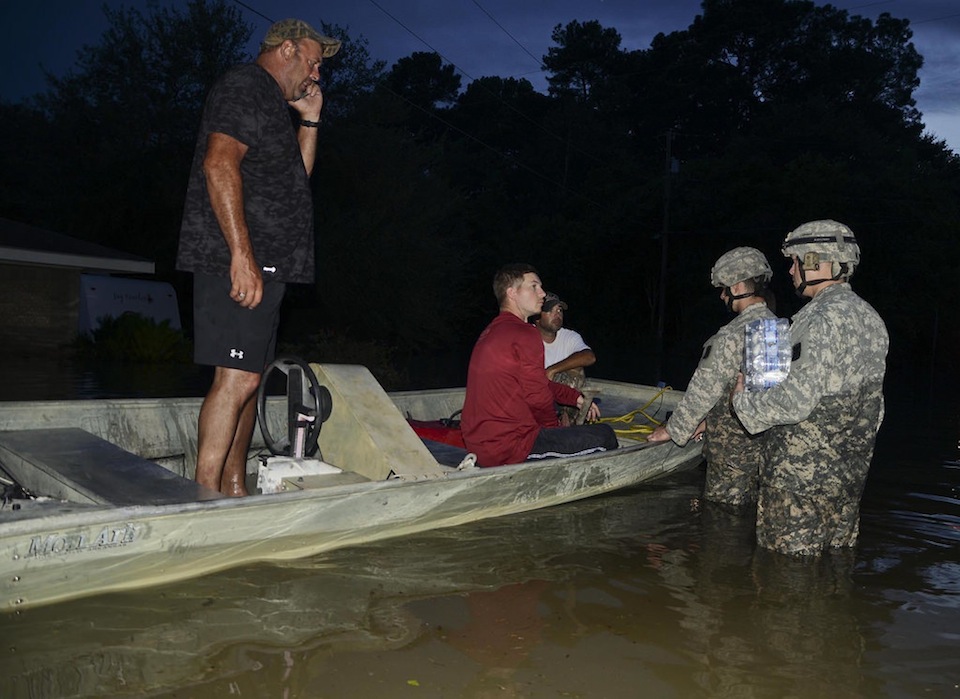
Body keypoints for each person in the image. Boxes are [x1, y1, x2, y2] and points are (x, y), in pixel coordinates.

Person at [176, 19, 341, 496]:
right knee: (236, 377)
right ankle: (202, 495)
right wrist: (241, 256)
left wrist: (310, 119)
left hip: (269, 265)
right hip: (239, 261)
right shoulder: (246, 85)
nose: (316, 73)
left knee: (248, 378)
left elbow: (294, 184)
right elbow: (218, 163)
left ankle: (232, 486)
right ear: (286, 49)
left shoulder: (272, 104)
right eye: (312, 62)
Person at [732, 220, 889, 556]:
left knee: (784, 581)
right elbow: (875, 409)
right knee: (833, 571)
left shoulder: (817, 318)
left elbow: (795, 401)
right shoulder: (871, 318)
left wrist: (743, 402)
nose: (790, 271)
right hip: (847, 479)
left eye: (795, 262)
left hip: (799, 483)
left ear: (816, 261)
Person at [647, 247, 777, 508]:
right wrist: (705, 423)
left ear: (739, 286)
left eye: (725, 288)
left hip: (732, 453)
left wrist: (673, 429)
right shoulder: (777, 329)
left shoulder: (731, 335)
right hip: (769, 451)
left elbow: (704, 389)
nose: (722, 295)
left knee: (722, 519)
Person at [461, 263, 619, 467]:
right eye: (534, 286)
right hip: (510, 448)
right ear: (512, 293)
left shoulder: (491, 332)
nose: (542, 293)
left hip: (479, 443)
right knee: (606, 435)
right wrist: (554, 431)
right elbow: (537, 397)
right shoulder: (525, 333)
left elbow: (536, 383)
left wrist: (574, 397)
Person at [534, 292, 597, 425]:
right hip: (536, 397)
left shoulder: (569, 336)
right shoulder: (526, 337)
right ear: (537, 317)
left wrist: (552, 370)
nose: (557, 314)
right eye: (550, 310)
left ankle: (569, 421)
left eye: (559, 310)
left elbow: (589, 357)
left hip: (564, 397)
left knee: (576, 368)